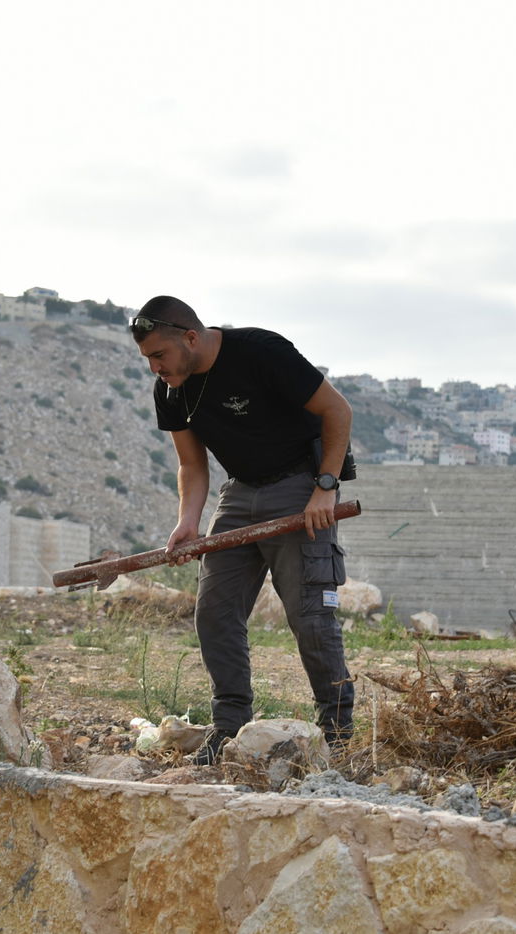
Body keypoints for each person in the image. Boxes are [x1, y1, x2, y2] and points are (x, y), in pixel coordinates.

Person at [131, 295, 355, 764]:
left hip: (301, 484)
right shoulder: (172, 386)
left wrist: (325, 488)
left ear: (190, 337)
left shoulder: (261, 352)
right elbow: (192, 464)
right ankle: (229, 728)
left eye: (159, 355)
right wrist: (188, 522)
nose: (154, 368)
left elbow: (338, 412)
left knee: (310, 616)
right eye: (148, 359)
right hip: (240, 492)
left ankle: (339, 734)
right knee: (214, 611)